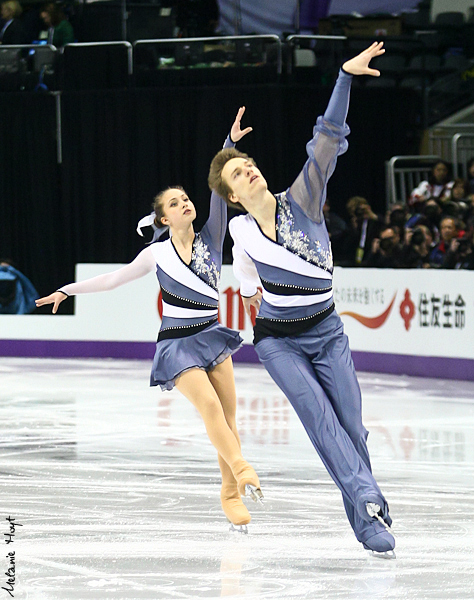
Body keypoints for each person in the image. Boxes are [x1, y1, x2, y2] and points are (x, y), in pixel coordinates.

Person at [208, 42, 396, 558]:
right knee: (319, 419)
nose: (247, 169)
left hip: (328, 333)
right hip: (279, 344)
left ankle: (366, 519)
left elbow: (326, 141)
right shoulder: (239, 232)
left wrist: (343, 77)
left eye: (247, 163)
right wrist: (224, 147)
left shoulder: (304, 198)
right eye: (236, 173)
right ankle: (369, 502)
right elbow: (246, 286)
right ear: (230, 195)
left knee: (351, 426)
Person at [35, 109, 263, 534]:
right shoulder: (154, 255)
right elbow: (111, 280)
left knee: (229, 417)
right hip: (177, 344)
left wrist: (228, 145)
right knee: (210, 408)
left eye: (185, 198)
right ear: (164, 219)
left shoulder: (213, 234)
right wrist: (67, 289)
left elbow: (217, 191)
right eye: (175, 203)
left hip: (212, 336)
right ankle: (243, 468)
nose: (185, 203)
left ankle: (230, 494)